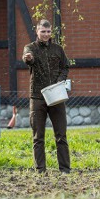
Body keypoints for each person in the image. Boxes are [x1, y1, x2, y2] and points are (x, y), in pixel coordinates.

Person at [22, 19, 70, 173]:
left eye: (48, 32)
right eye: (43, 31)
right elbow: (27, 58)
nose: (46, 34)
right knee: (38, 137)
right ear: (37, 31)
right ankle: (40, 170)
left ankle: (65, 169)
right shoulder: (30, 48)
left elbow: (65, 67)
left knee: (61, 136)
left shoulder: (58, 49)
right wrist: (28, 58)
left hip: (56, 96)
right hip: (37, 97)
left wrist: (59, 82)